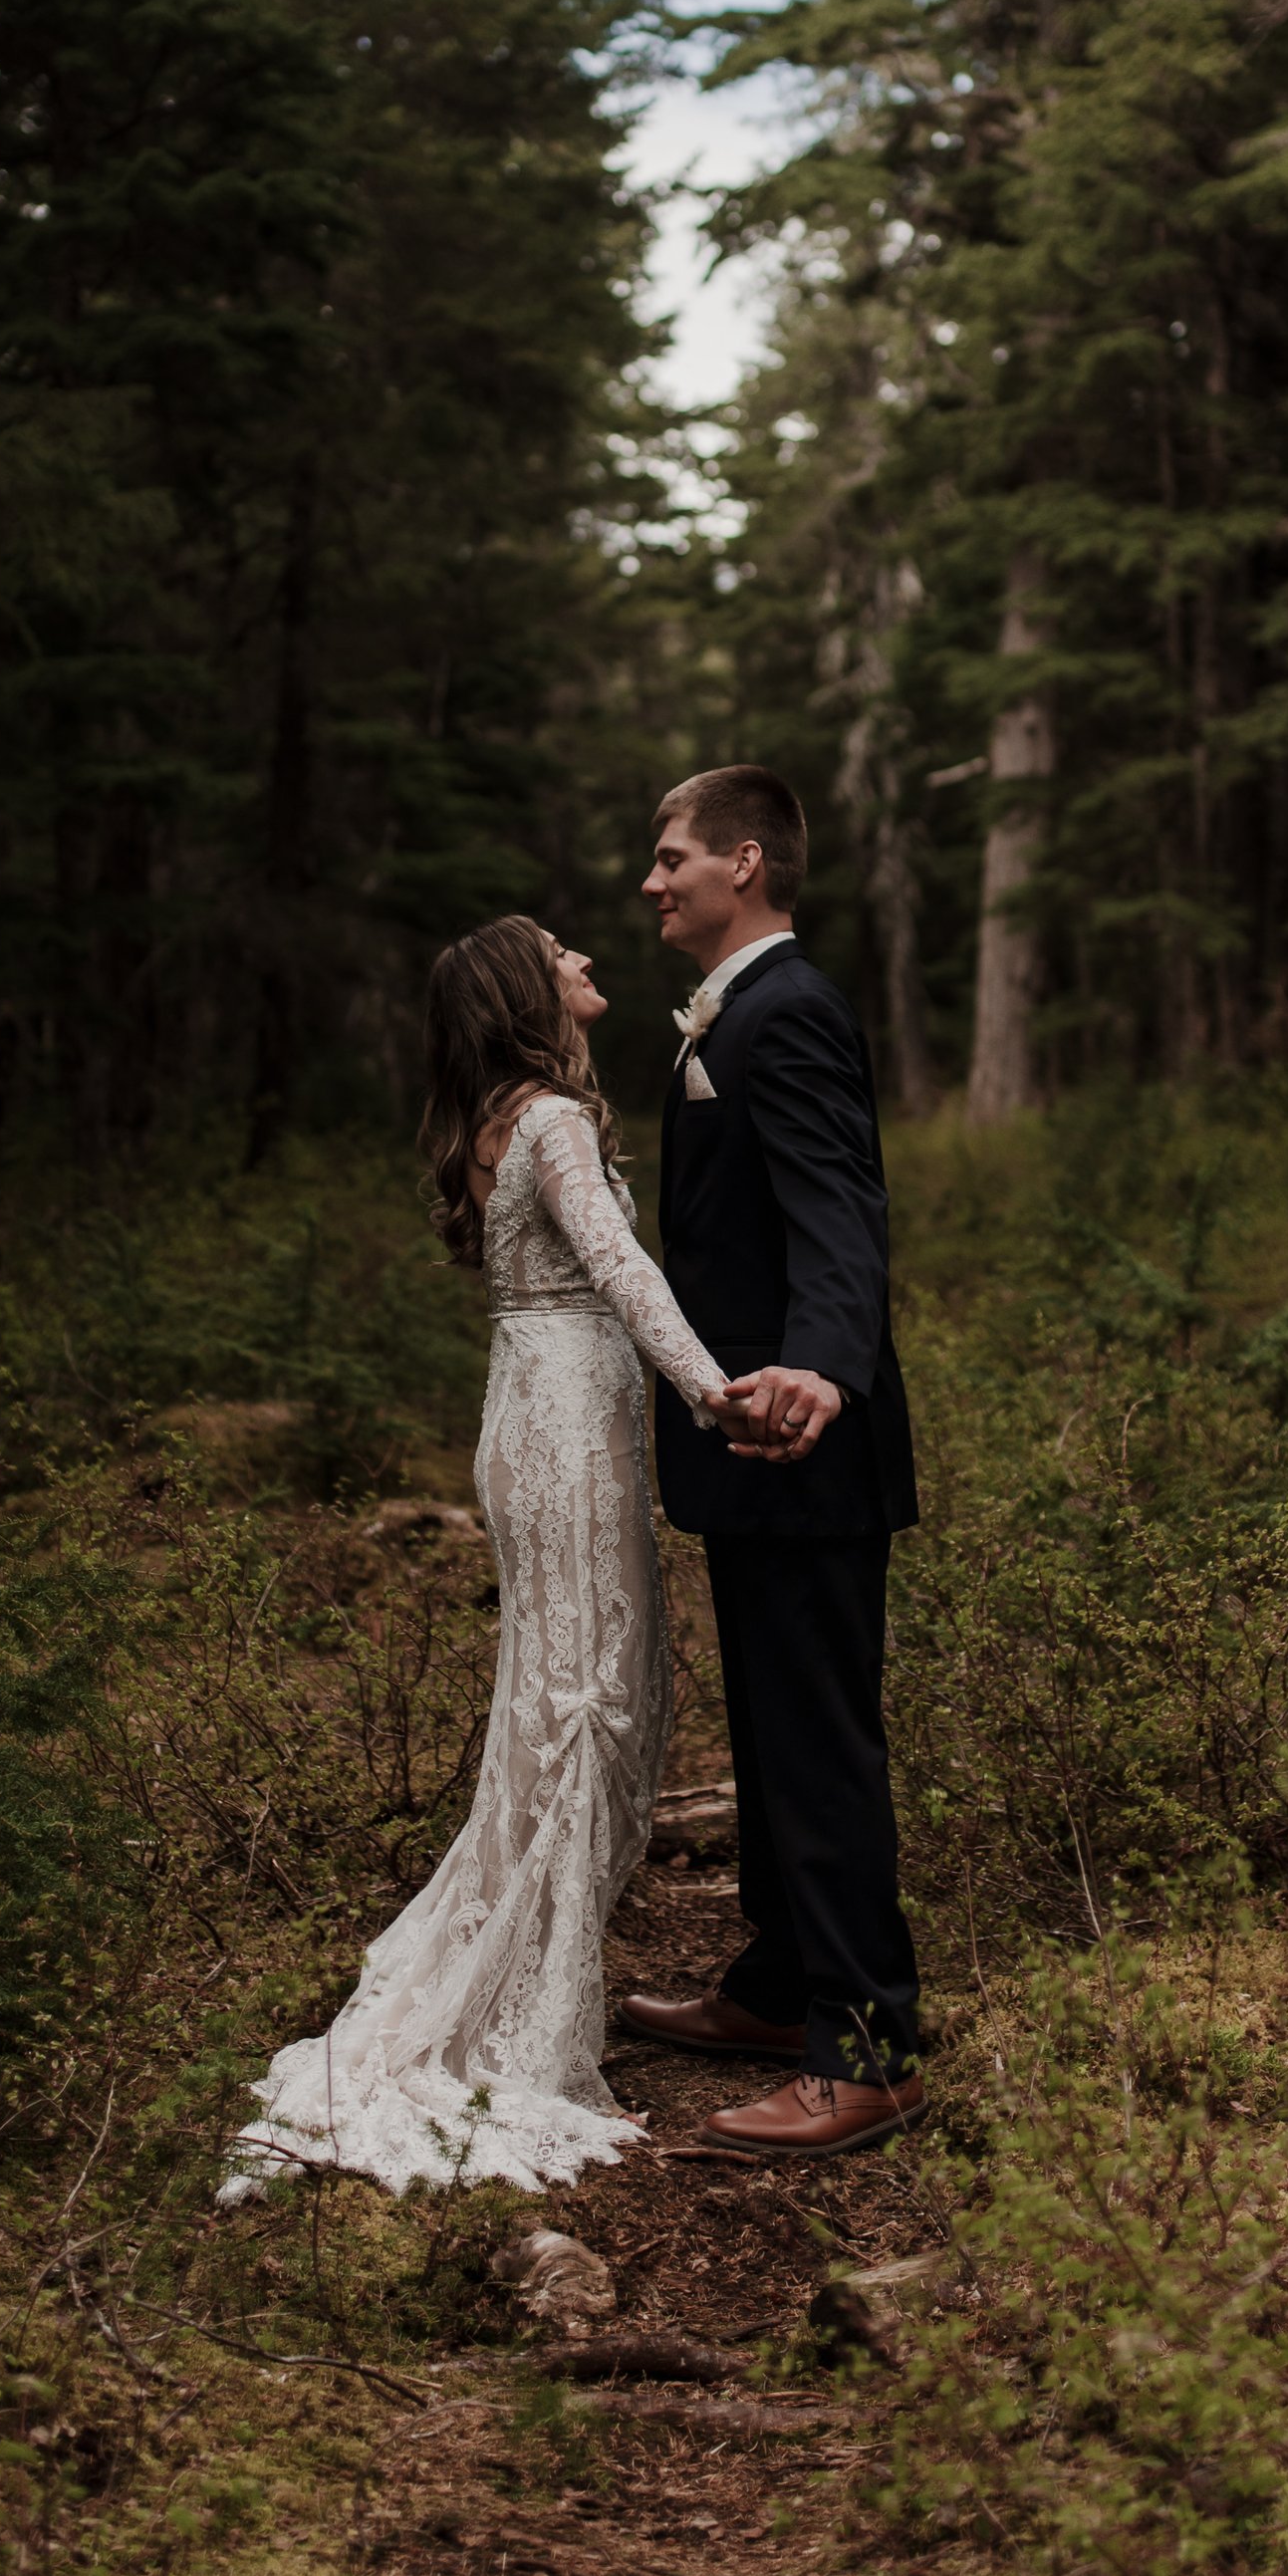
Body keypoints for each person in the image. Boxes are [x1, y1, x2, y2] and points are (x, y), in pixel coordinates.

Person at [221, 912, 733, 2197]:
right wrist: (718, 1396)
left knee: (570, 1694)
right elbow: (624, 1273)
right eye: (563, 953)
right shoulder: (551, 1121)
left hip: (533, 1408)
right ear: (526, 989)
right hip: (565, 1422)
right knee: (589, 1700)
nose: (588, 963)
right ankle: (523, 2005)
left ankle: (538, 1959)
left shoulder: (507, 1115)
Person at [614, 764, 926, 2160]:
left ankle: (864, 2046)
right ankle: (776, 1982)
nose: (652, 878)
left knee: (818, 1744)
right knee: (770, 1731)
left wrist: (827, 1368)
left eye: (672, 853)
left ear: (746, 860)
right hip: (752, 1434)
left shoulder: (786, 1011)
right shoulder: (738, 1009)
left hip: (801, 1433)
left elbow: (840, 1208)